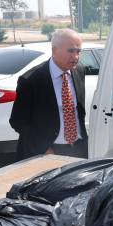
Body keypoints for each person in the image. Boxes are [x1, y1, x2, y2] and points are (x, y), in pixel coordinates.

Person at [10, 28, 88, 160]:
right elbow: (18, 121)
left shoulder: (79, 70)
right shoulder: (31, 80)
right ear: (54, 50)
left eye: (78, 51)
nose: (75, 57)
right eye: (70, 51)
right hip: (47, 151)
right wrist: (44, 148)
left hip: (79, 148)